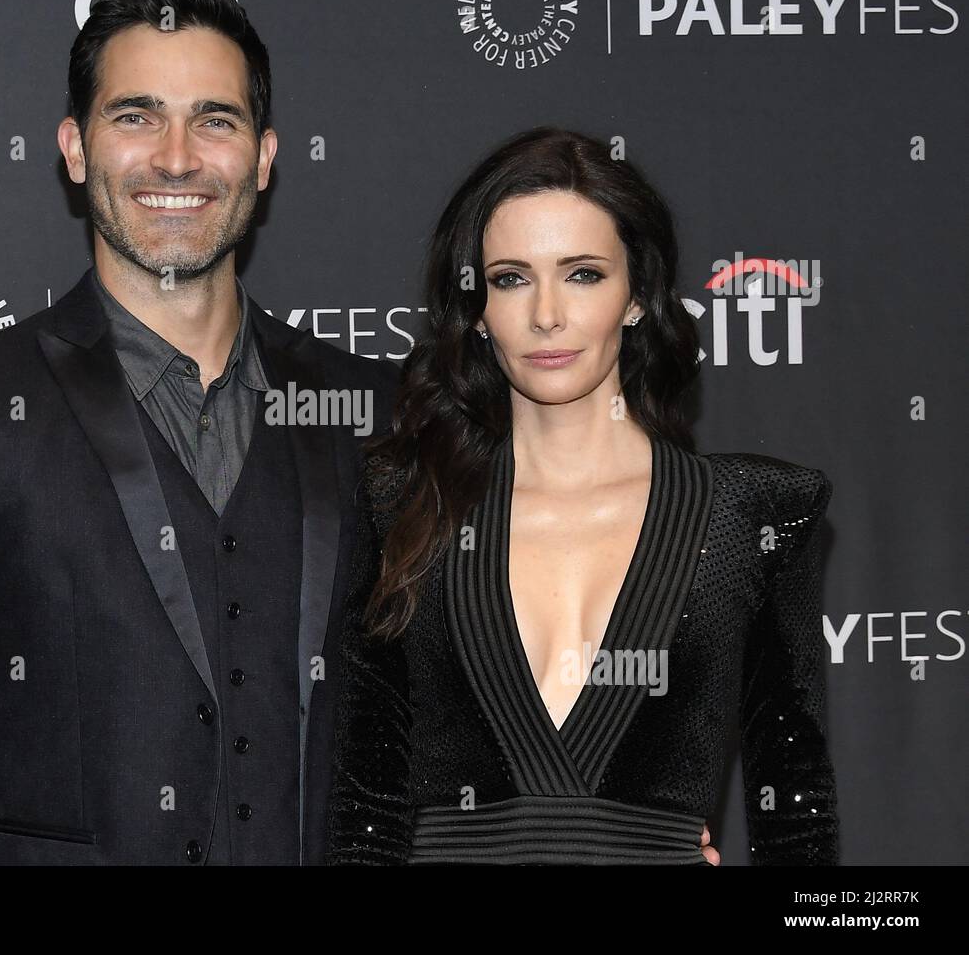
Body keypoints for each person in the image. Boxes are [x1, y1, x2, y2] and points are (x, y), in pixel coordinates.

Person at [0, 0, 398, 865]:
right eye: (137, 115)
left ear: (265, 158)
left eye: (216, 120)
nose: (178, 156)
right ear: (75, 149)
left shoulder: (370, 414)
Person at [325, 127, 838, 865]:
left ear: (637, 297)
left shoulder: (754, 513)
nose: (546, 315)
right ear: (475, 309)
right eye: (510, 278)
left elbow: (795, 806)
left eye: (584, 274)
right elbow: (365, 809)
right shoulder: (402, 504)